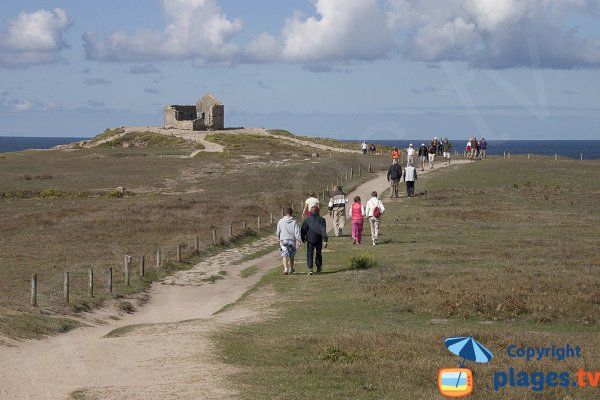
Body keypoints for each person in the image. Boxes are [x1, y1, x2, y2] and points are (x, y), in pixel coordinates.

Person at [301, 206, 328, 275]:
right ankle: (318, 267)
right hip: (318, 239)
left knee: (310, 253)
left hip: (310, 239)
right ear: (318, 211)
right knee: (318, 253)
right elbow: (323, 231)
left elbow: (303, 230)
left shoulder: (307, 220)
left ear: (310, 212)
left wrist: (303, 238)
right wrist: (325, 240)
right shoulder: (322, 220)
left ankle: (310, 268)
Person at [276, 207, 302, 275]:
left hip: (283, 240)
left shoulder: (281, 221)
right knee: (291, 255)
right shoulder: (294, 222)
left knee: (284, 254)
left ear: (285, 213)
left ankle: (285, 269)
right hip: (292, 240)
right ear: (291, 213)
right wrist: (299, 240)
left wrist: (279, 237)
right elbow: (297, 232)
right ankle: (291, 268)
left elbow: (278, 231)